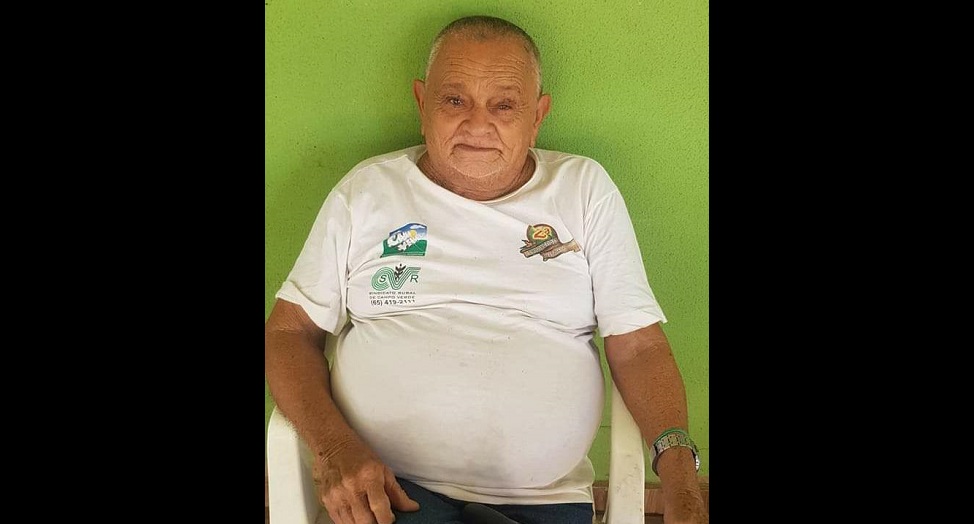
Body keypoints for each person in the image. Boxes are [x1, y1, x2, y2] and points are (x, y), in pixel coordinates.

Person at [265, 15, 708, 524]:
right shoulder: (366, 192)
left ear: (537, 116)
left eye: (504, 105)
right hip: (389, 489)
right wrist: (333, 447)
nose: (477, 125)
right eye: (455, 100)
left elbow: (639, 347)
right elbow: (289, 332)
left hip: (544, 498)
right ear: (422, 104)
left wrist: (681, 482)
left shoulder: (584, 190)